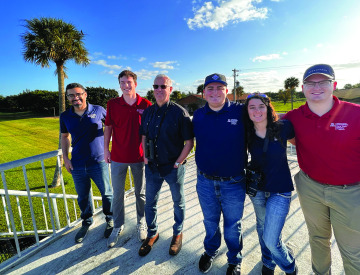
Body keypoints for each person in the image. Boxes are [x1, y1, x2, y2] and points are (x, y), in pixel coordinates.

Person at [283, 64, 360, 274]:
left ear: (334, 85)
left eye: (323, 82)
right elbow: (269, 126)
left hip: (351, 193)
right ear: (303, 87)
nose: (316, 87)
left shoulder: (356, 114)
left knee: (353, 250)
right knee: (317, 239)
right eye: (310, 83)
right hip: (311, 188)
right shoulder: (293, 117)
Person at [192, 73, 246, 275]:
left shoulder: (241, 112)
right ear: (204, 92)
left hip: (233, 182)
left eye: (220, 87)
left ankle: (234, 259)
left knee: (233, 225)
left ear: (227, 91)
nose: (215, 92)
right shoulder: (198, 115)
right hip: (204, 181)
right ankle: (211, 250)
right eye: (210, 88)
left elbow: (263, 114)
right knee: (210, 221)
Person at [138, 74, 194, 257]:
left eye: (163, 86)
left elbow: (189, 142)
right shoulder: (148, 111)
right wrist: (145, 157)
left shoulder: (180, 113)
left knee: (178, 201)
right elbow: (144, 136)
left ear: (170, 89)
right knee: (150, 203)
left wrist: (178, 162)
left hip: (173, 168)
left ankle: (177, 233)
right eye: (156, 86)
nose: (159, 90)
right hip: (152, 167)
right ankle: (152, 233)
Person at [244, 93, 297, 275]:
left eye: (261, 106)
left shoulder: (283, 127)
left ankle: (289, 266)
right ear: (247, 111)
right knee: (262, 227)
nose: (257, 110)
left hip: (280, 189)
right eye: (252, 107)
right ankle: (268, 262)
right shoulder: (247, 132)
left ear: (268, 108)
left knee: (271, 238)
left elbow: (302, 145)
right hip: (257, 189)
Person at [60, 83, 113, 243]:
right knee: (83, 196)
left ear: (85, 94)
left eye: (78, 94)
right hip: (77, 163)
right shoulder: (65, 116)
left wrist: (110, 148)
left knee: (107, 193)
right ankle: (87, 221)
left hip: (98, 160)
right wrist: (66, 159)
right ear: (68, 98)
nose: (75, 98)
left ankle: (110, 219)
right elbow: (64, 137)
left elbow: (111, 127)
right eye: (71, 95)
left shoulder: (98, 110)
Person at [104, 70, 152, 248]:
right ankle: (118, 225)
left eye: (129, 82)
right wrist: (106, 150)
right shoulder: (112, 104)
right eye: (122, 82)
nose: (125, 85)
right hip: (117, 156)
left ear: (135, 84)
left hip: (139, 157)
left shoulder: (146, 104)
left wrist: (147, 154)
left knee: (141, 193)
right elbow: (108, 127)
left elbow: (149, 132)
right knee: (117, 194)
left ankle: (141, 222)